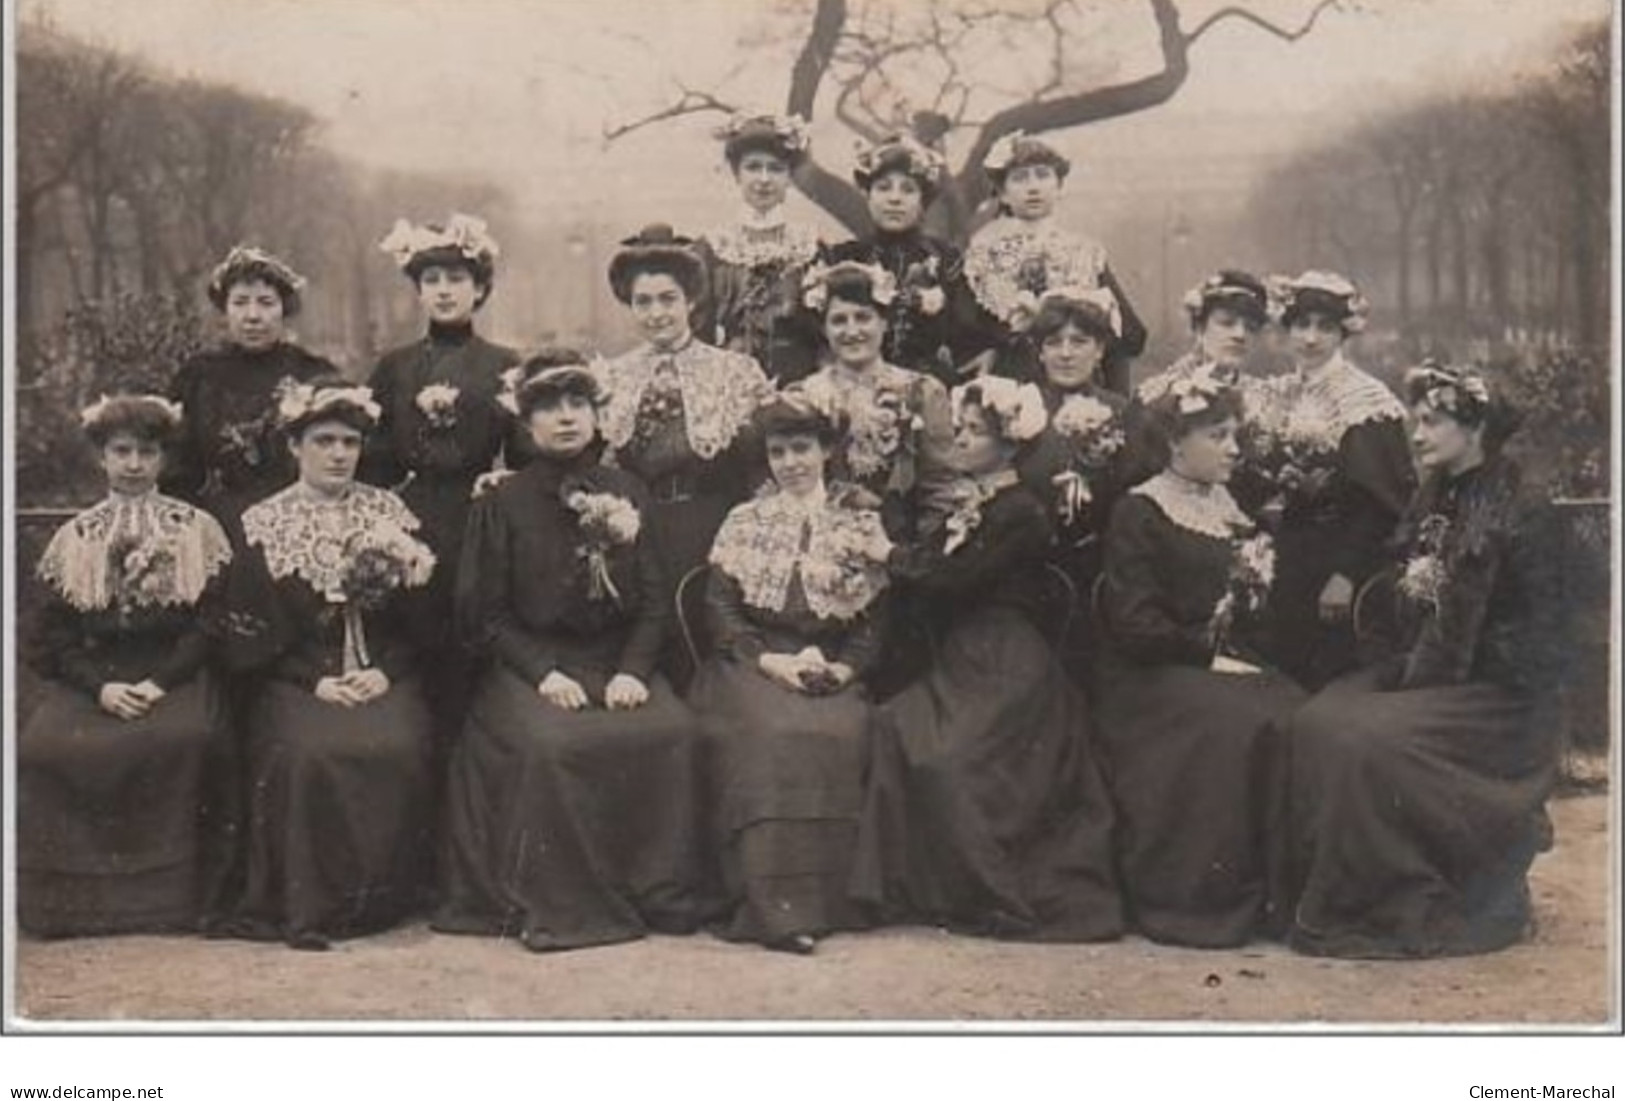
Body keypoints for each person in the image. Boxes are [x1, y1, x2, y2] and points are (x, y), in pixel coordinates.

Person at [1286, 363, 1563, 959]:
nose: (1417, 433)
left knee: (1365, 740)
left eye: (1432, 421)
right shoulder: (1434, 492)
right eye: (1415, 419)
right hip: (1427, 667)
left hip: (1500, 694)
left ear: (1476, 428)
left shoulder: (1522, 505)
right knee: (1316, 720)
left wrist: (1468, 647)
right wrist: (1410, 604)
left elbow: (1549, 631)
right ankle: (1342, 892)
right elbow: (1404, 593)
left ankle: (1412, 893)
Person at [436, 364, 701, 951]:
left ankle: (656, 892)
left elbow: (655, 598)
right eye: (549, 406)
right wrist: (544, 674)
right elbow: (486, 616)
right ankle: (567, 902)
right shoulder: (502, 499)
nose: (565, 416)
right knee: (554, 744)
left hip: (615, 659)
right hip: (530, 664)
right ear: (526, 422)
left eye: (577, 402)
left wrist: (634, 671)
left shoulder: (627, 489)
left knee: (673, 729)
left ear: (596, 414)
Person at [851, 376, 1123, 942]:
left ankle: (985, 886)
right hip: (964, 654)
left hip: (1007, 658)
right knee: (895, 724)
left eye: (977, 432)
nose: (962, 440)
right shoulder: (972, 502)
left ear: (1008, 444)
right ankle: (919, 887)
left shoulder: (1020, 509)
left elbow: (956, 578)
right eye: (962, 429)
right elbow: (936, 562)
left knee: (949, 757)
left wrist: (888, 554)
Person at [1094, 365, 1307, 947]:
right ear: (1173, 443)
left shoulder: (1228, 506)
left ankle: (1279, 893)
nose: (1233, 449)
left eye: (1235, 435)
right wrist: (1205, 654)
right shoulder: (1139, 510)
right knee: (1240, 723)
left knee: (1298, 711)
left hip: (1214, 665)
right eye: (1218, 436)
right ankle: (1201, 896)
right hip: (1148, 677)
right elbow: (1134, 624)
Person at [221, 382, 436, 949]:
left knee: (403, 744)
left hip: (382, 670)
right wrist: (314, 680)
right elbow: (251, 632)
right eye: (323, 441)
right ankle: (313, 902)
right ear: (295, 445)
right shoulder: (263, 522)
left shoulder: (388, 511)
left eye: (350, 441)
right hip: (295, 677)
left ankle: (384, 895)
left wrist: (386, 670)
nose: (339, 453)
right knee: (310, 754)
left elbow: (422, 617)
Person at [19, 395, 234, 937]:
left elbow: (210, 625)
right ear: (102, 458)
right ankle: (74, 907)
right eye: (122, 451)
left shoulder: (196, 529)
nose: (134, 464)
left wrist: (159, 683)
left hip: (174, 672)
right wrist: (102, 687)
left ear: (164, 458)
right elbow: (51, 637)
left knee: (189, 738)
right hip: (99, 678)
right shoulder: (77, 536)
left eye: (147, 451)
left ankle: (174, 904)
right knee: (45, 746)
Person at [688, 393, 891, 954]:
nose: (791, 463)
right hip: (749, 663)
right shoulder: (745, 520)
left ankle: (831, 902)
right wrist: (767, 659)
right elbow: (720, 609)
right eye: (778, 452)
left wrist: (847, 666)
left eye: (802, 448)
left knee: (842, 731)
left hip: (831, 663)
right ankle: (769, 907)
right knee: (775, 734)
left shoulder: (859, 519)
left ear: (827, 450)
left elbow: (875, 619)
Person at [362, 213, 525, 752]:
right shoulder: (393, 367)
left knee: (475, 648)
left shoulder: (504, 365)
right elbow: (372, 455)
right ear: (418, 292)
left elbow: (524, 453)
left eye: (457, 280)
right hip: (412, 517)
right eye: (431, 281)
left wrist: (499, 483)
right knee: (417, 645)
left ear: (479, 289)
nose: (444, 291)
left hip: (480, 516)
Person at [1260, 271, 1414, 691]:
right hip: (1288, 558)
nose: (1310, 339)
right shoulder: (1281, 393)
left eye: (1324, 327)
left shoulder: (1366, 399)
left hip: (1343, 563)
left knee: (1331, 677)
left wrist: (1345, 575)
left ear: (1343, 334)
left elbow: (1380, 503)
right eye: (1301, 325)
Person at [163, 245, 338, 537]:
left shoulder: (313, 373)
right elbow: (177, 470)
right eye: (240, 302)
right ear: (225, 310)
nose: (252, 316)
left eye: (266, 303)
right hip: (220, 526)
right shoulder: (198, 376)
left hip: (301, 524)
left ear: (285, 308)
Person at [961, 131, 1145, 391]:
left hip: (1074, 388)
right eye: (1020, 178)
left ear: (1059, 187)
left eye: (1043, 175)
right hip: (1007, 386)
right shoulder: (981, 257)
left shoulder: (1085, 253)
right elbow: (967, 333)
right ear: (1002, 194)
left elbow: (1130, 335)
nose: (1033, 187)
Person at [1014, 286, 1132, 680]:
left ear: (1100, 350)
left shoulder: (1123, 413)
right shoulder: (1016, 406)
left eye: (1079, 342)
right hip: (1027, 566)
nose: (1066, 353)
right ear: (1040, 351)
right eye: (1054, 342)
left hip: (1098, 568)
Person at [794, 259, 956, 542]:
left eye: (863, 317)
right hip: (824, 545)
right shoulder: (805, 395)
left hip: (900, 548)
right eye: (839, 320)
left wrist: (916, 557)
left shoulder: (922, 392)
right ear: (824, 329)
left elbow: (940, 490)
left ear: (884, 322)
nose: (852, 330)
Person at [819, 133, 993, 387]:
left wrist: (987, 350)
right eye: (883, 187)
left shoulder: (945, 259)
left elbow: (968, 331)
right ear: (868, 195)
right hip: (854, 385)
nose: (895, 198)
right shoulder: (841, 258)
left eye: (908, 189)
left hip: (929, 387)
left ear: (923, 201)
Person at [693, 112, 824, 384]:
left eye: (775, 169)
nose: (764, 179)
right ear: (736, 174)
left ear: (789, 177)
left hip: (798, 383)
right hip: (727, 380)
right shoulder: (712, 248)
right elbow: (699, 332)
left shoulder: (810, 246)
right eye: (753, 167)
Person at [1124, 269, 1272, 495]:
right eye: (1226, 323)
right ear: (1199, 328)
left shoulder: (1265, 400)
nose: (1240, 335)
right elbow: (1134, 479)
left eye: (1251, 328)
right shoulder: (1156, 397)